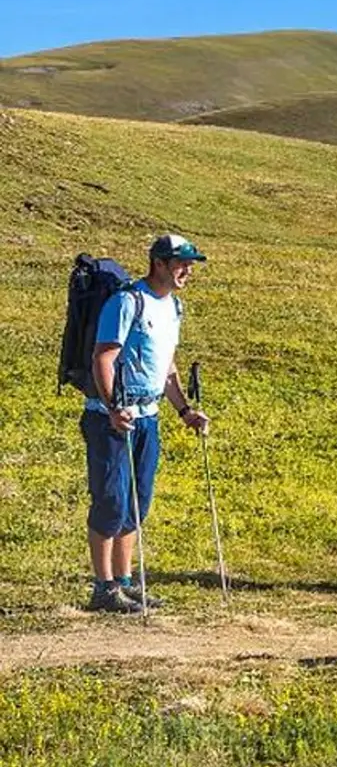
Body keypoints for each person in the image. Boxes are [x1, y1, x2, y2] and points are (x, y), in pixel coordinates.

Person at [82, 234, 211, 613]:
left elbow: (166, 367)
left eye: (190, 264)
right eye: (181, 263)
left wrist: (185, 411)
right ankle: (103, 587)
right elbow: (103, 358)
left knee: (137, 503)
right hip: (111, 419)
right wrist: (112, 407)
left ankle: (125, 582)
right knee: (111, 500)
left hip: (148, 417)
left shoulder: (173, 307)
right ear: (159, 263)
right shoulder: (127, 301)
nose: (187, 270)